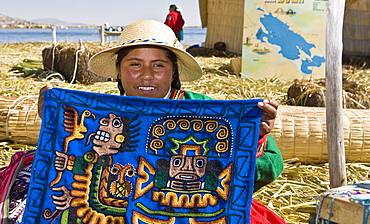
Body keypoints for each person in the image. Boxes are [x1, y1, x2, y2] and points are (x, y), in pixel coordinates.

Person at [7, 20, 285, 224]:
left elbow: (270, 167)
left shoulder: (208, 112)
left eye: (159, 65)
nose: (147, 75)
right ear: (118, 70)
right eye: (135, 64)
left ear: (174, 71)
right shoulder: (98, 115)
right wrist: (53, 121)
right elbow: (72, 156)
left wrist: (253, 138)